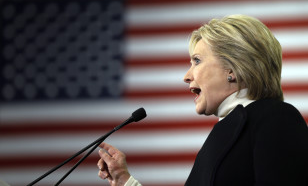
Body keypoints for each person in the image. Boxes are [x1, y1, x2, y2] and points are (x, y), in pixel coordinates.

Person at [97, 14, 308, 186]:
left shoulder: (276, 118)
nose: (186, 76)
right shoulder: (223, 131)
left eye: (197, 61)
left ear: (232, 69)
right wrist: (126, 182)